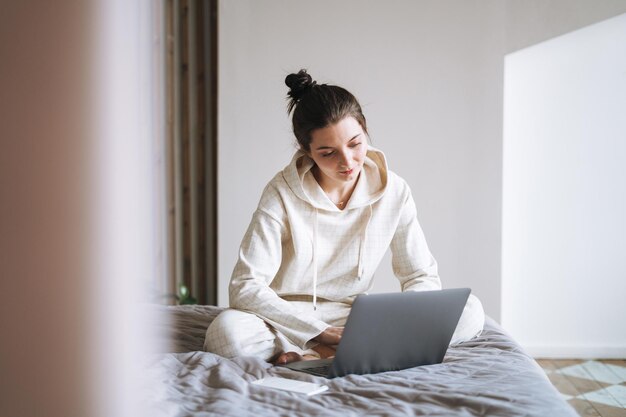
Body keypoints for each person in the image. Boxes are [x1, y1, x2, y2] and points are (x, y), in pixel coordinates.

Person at [204, 69, 484, 365]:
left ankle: (321, 353)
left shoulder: (394, 191)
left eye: (355, 144)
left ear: (364, 129)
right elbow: (244, 286)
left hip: (354, 317)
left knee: (471, 311)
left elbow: (420, 275)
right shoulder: (280, 193)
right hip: (285, 319)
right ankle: (327, 349)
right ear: (307, 151)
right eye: (328, 152)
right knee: (226, 333)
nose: (347, 162)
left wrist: (403, 320)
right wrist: (318, 332)